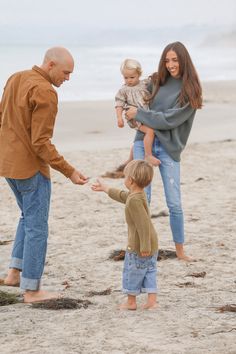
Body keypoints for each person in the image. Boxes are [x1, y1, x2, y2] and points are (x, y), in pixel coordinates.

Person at [0, 47, 88, 303]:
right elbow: (41, 143)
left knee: (27, 217)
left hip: (7, 164)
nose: (68, 78)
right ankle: (32, 290)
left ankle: (14, 274)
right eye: (66, 72)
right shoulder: (46, 92)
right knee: (37, 227)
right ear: (50, 64)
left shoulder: (16, 77)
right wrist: (69, 171)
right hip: (30, 168)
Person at [125, 42, 203, 261]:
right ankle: (141, 247)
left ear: (184, 60)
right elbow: (133, 97)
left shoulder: (191, 90)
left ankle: (180, 250)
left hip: (169, 147)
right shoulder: (155, 82)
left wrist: (139, 114)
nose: (170, 65)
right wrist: (130, 115)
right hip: (144, 142)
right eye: (167, 60)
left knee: (174, 202)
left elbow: (169, 120)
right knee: (140, 197)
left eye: (175, 60)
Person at [92, 160, 158, 310]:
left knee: (132, 271)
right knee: (149, 270)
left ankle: (131, 302)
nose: (124, 178)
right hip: (151, 242)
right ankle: (152, 301)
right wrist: (105, 188)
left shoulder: (134, 200)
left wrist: (144, 246)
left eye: (125, 176)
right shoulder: (138, 194)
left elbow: (143, 224)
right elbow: (122, 196)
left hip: (139, 245)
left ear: (131, 180)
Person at [115, 59, 160, 167]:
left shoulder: (144, 83)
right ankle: (148, 155)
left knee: (141, 136)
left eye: (132, 77)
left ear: (139, 74)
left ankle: (130, 159)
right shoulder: (123, 90)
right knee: (150, 131)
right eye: (126, 77)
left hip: (145, 114)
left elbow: (154, 80)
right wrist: (119, 118)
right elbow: (119, 104)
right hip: (134, 118)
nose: (129, 80)